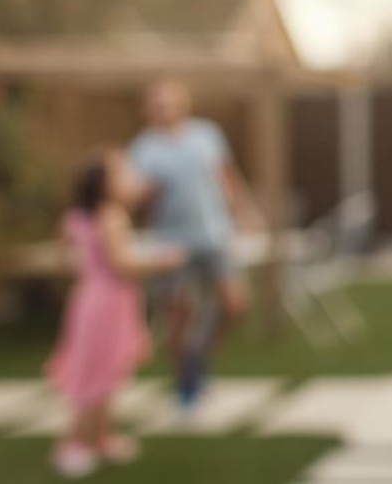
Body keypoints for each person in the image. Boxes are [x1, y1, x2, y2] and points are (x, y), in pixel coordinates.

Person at [45, 150, 185, 479]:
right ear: (104, 185)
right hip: (109, 306)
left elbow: (64, 258)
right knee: (95, 379)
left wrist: (86, 272)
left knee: (102, 373)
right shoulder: (112, 216)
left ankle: (102, 439)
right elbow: (122, 265)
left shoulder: (76, 217)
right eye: (123, 174)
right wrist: (162, 261)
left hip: (86, 300)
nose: (132, 178)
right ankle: (72, 446)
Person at [128, 78, 257, 418]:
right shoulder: (144, 148)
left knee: (235, 304)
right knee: (179, 316)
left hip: (215, 235)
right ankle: (185, 386)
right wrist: (144, 194)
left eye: (168, 102)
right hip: (172, 243)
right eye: (156, 104)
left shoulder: (207, 134)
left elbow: (226, 176)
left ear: (183, 104)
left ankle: (199, 358)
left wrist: (244, 213)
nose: (163, 109)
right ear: (147, 109)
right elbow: (136, 196)